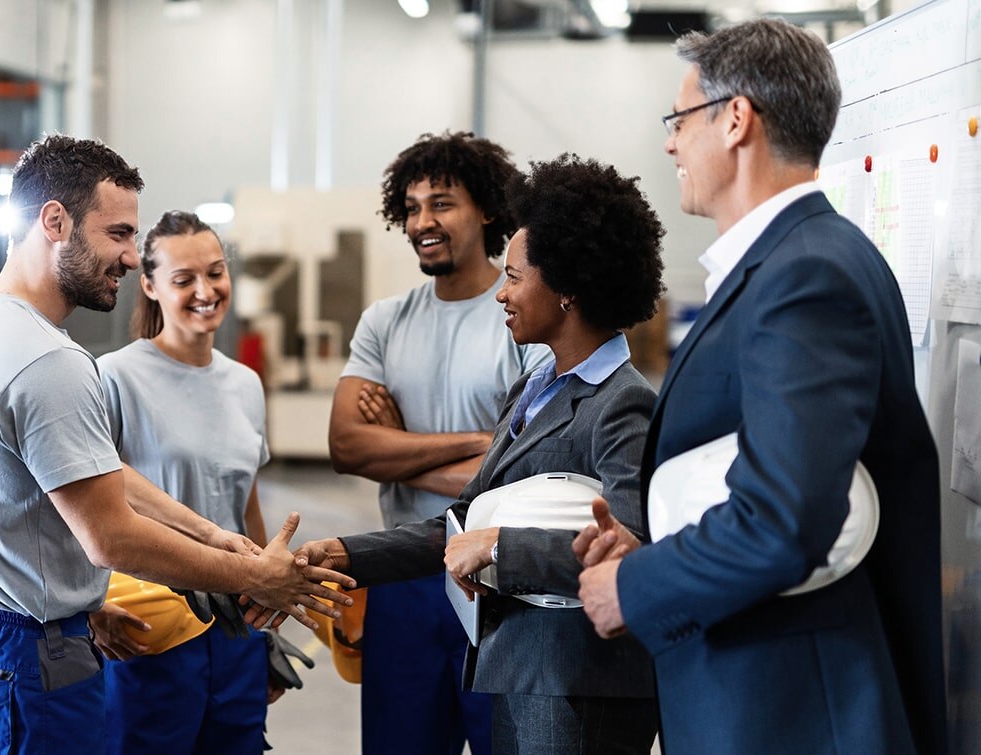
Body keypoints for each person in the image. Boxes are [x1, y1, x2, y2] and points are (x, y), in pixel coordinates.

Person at [573, 19, 947, 755]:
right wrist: (660, 534)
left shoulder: (804, 276)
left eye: (679, 120)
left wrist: (639, 583)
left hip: (791, 711)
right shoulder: (800, 260)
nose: (672, 143)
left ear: (736, 119)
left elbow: (784, 520)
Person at [0, 135, 353, 755]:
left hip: (3, 635)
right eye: (119, 235)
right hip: (36, 657)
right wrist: (255, 576)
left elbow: (94, 471)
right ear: (55, 222)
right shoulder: (50, 361)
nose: (130, 258)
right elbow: (111, 537)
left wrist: (214, 535)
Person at [295, 154, 666, 754]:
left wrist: (500, 547)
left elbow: (636, 551)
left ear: (568, 287)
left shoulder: (623, 404)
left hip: (576, 681)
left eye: (515, 276)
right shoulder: (535, 387)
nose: (501, 293)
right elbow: (462, 522)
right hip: (518, 669)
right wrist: (345, 554)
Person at [326, 131, 551, 755]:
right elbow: (347, 447)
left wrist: (397, 448)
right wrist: (485, 444)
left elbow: (526, 477)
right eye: (414, 206)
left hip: (497, 581)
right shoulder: (384, 321)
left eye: (443, 203)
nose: (424, 220)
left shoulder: (522, 318)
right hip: (401, 576)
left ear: (486, 210)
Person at [89, 210, 277, 753]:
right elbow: (78, 502)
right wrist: (91, 606)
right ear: (148, 285)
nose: (205, 291)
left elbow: (248, 503)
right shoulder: (116, 377)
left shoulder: (244, 383)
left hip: (237, 624)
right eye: (183, 279)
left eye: (215, 273)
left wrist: (266, 612)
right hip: (149, 626)